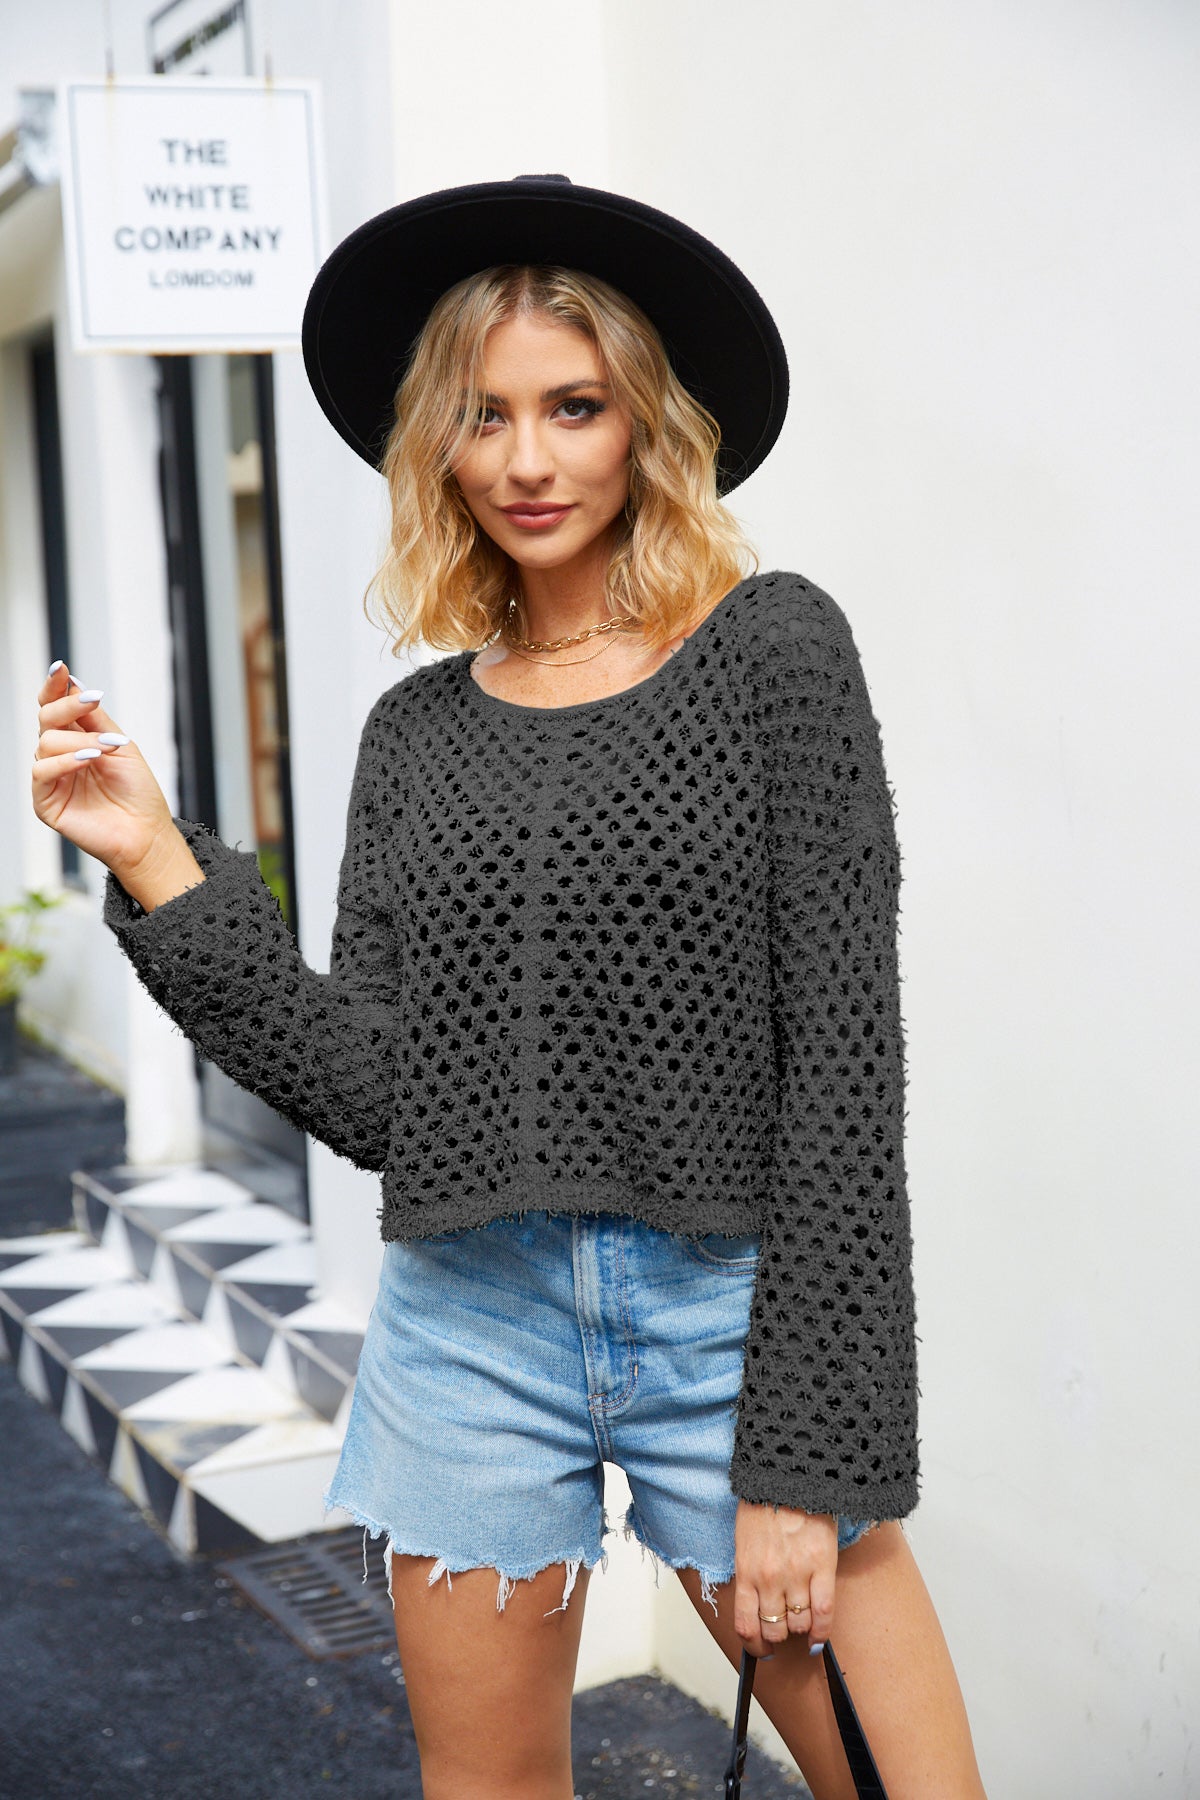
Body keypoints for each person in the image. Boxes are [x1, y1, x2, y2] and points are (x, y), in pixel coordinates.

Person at [31, 175, 987, 1800]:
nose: (529, 459)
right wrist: (158, 862)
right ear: (439, 448)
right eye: (485, 415)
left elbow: (845, 1074)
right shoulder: (416, 734)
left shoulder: (773, 653)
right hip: (468, 1330)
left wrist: (804, 1458)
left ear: (647, 423)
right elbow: (379, 1092)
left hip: (732, 1322)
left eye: (574, 407)